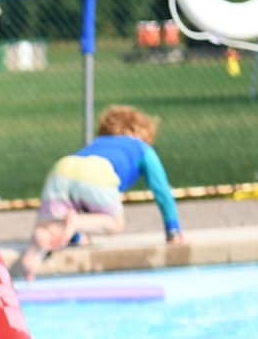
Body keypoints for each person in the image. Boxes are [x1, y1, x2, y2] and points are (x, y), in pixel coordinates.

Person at [18, 105, 184, 280]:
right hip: (96, 172)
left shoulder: (97, 144)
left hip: (62, 168)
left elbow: (79, 193)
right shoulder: (142, 149)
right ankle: (77, 223)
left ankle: (32, 259)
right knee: (115, 223)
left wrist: (75, 238)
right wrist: (173, 230)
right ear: (140, 133)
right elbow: (162, 192)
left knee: (48, 230)